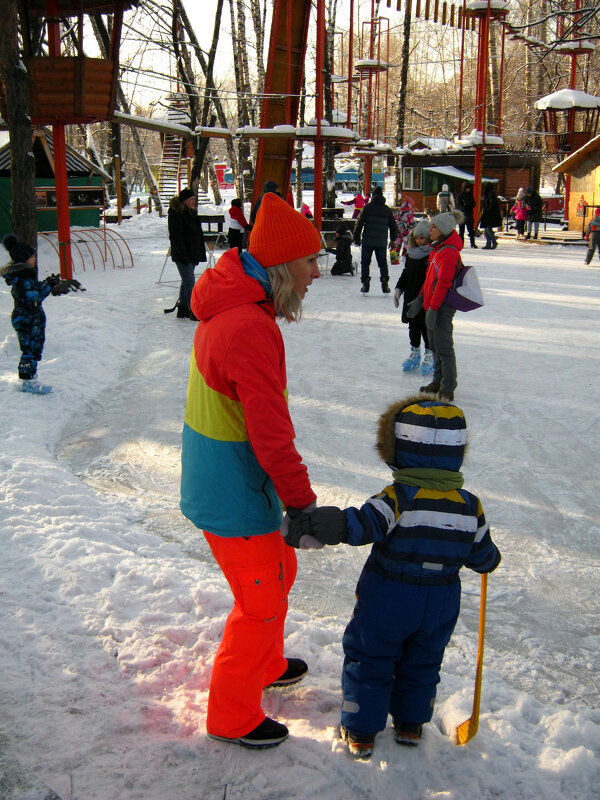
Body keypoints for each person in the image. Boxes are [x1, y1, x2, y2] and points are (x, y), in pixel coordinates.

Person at [284, 393, 501, 759]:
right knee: (423, 660)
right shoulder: (469, 505)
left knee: (371, 657)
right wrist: (489, 560)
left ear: (397, 450)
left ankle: (361, 730)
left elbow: (364, 524)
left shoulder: (399, 497)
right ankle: (410, 725)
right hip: (441, 601)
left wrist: (332, 524)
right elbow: (483, 556)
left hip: (389, 596)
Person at [180, 192, 321, 750]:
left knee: (280, 570)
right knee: (260, 599)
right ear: (284, 265)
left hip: (236, 482)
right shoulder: (248, 325)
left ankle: (265, 665)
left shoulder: (245, 306)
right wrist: (303, 503)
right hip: (232, 490)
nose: (317, 271)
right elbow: (270, 434)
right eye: (311, 260)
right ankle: (231, 716)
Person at [408, 209, 464, 402]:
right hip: (431, 304)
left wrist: (433, 308)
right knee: (434, 345)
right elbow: (429, 281)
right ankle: (437, 380)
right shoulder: (437, 250)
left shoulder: (448, 252)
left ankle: (448, 386)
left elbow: (443, 283)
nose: (429, 230)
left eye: (433, 227)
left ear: (443, 230)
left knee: (444, 346)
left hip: (442, 306)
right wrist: (419, 301)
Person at [1, 233, 68, 394]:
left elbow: (34, 291)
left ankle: (31, 378)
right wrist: (48, 287)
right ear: (24, 259)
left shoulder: (24, 276)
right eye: (32, 256)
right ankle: (28, 383)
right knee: (30, 350)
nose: (34, 258)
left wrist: (47, 282)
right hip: (27, 319)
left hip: (29, 318)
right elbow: (34, 297)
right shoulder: (23, 277)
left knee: (33, 349)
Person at [394, 220, 433, 375]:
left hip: (424, 297)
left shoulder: (431, 255)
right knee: (413, 326)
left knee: (425, 326)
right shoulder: (411, 253)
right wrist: (399, 289)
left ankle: (430, 354)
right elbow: (406, 273)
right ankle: (415, 352)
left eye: (422, 238)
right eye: (417, 238)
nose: (419, 241)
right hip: (410, 296)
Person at [167, 187, 206, 320]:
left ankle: (183, 308)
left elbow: (197, 234)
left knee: (186, 281)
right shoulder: (176, 214)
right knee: (190, 281)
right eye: (191, 199)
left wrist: (198, 252)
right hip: (183, 254)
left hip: (192, 253)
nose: (194, 201)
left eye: (195, 199)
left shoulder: (191, 213)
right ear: (184, 201)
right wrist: (184, 254)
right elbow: (176, 236)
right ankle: (193, 309)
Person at [353, 186, 399, 294]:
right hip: (381, 242)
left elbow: (359, 223)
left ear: (373, 196)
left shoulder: (367, 207)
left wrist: (356, 237)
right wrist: (393, 240)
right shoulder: (387, 209)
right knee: (383, 263)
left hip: (367, 241)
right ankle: (384, 280)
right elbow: (393, 226)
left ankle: (365, 282)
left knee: (365, 262)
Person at [479, 183, 502, 249]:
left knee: (488, 228)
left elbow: (491, 205)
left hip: (490, 214)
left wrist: (488, 211)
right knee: (486, 229)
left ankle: (493, 241)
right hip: (489, 214)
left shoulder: (490, 194)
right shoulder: (489, 194)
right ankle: (488, 243)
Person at [456, 182, 477, 248]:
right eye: (467, 188)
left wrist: (468, 205)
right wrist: (465, 206)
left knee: (471, 231)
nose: (468, 190)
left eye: (469, 188)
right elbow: (459, 204)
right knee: (461, 231)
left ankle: (472, 244)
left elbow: (473, 203)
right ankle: (461, 244)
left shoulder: (470, 195)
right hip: (462, 215)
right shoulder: (460, 195)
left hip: (469, 215)